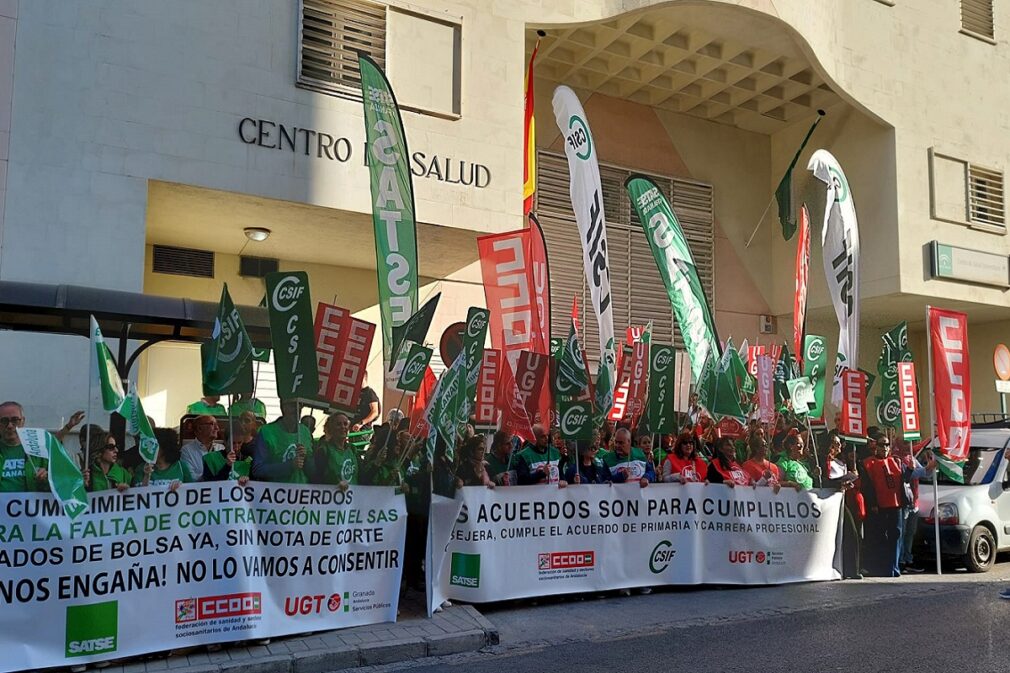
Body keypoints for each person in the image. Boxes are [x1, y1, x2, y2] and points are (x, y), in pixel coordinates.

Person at [862, 433, 935, 577]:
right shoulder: (868, 463)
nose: (885, 447)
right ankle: (881, 566)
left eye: (887, 444)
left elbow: (905, 479)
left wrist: (910, 469)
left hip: (896, 504)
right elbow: (868, 486)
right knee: (882, 537)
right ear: (876, 446)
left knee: (896, 535)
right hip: (880, 506)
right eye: (882, 444)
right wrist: (873, 504)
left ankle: (893, 567)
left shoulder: (896, 461)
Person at [251, 399, 314, 483]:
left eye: (300, 405)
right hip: (275, 493)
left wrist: (306, 459)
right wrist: (289, 466)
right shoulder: (266, 431)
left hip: (301, 493)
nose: (297, 408)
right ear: (283, 407)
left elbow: (313, 471)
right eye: (293, 405)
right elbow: (258, 469)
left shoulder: (305, 431)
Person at [0, 401, 48, 492]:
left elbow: (59, 486)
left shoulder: (39, 451)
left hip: (31, 505)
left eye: (15, 420)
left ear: (23, 421)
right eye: (4, 421)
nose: (10, 426)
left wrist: (47, 479)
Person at [313, 412, 357, 487]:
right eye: (338, 424)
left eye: (345, 424)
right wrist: (335, 484)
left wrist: (376, 463)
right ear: (331, 428)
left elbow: (363, 477)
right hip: (332, 496)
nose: (343, 427)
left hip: (353, 496)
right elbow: (316, 479)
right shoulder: (324, 451)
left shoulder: (352, 449)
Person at [180, 415, 221, 481]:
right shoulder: (186, 451)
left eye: (217, 424)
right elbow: (190, 478)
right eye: (212, 424)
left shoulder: (221, 448)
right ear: (199, 428)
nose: (217, 428)